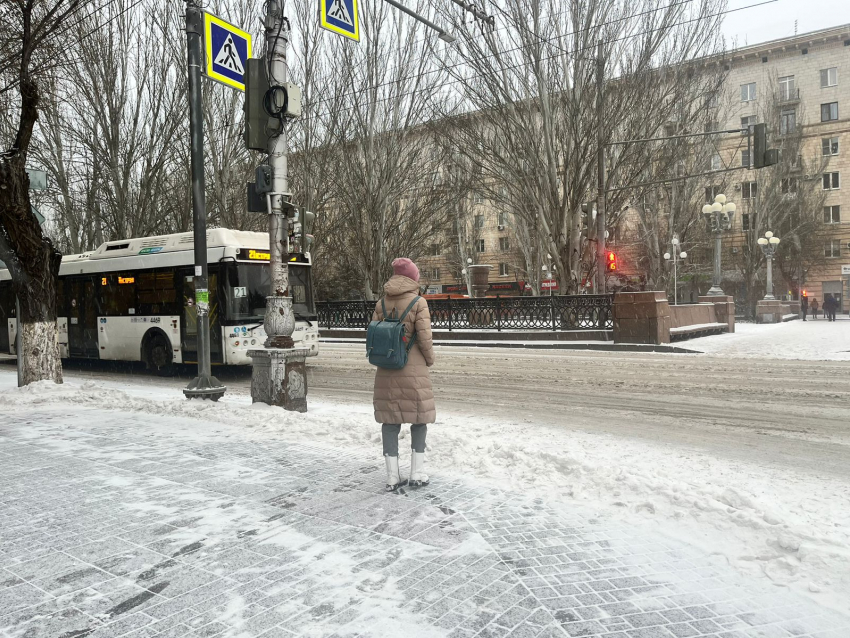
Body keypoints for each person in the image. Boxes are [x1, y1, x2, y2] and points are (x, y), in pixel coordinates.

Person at [372, 258, 435, 491]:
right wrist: (429, 359)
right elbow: (425, 337)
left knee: (390, 421)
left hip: (386, 368)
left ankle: (391, 476)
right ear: (412, 278)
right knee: (419, 419)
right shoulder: (419, 302)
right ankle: (417, 473)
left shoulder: (381, 303)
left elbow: (374, 335)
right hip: (414, 370)